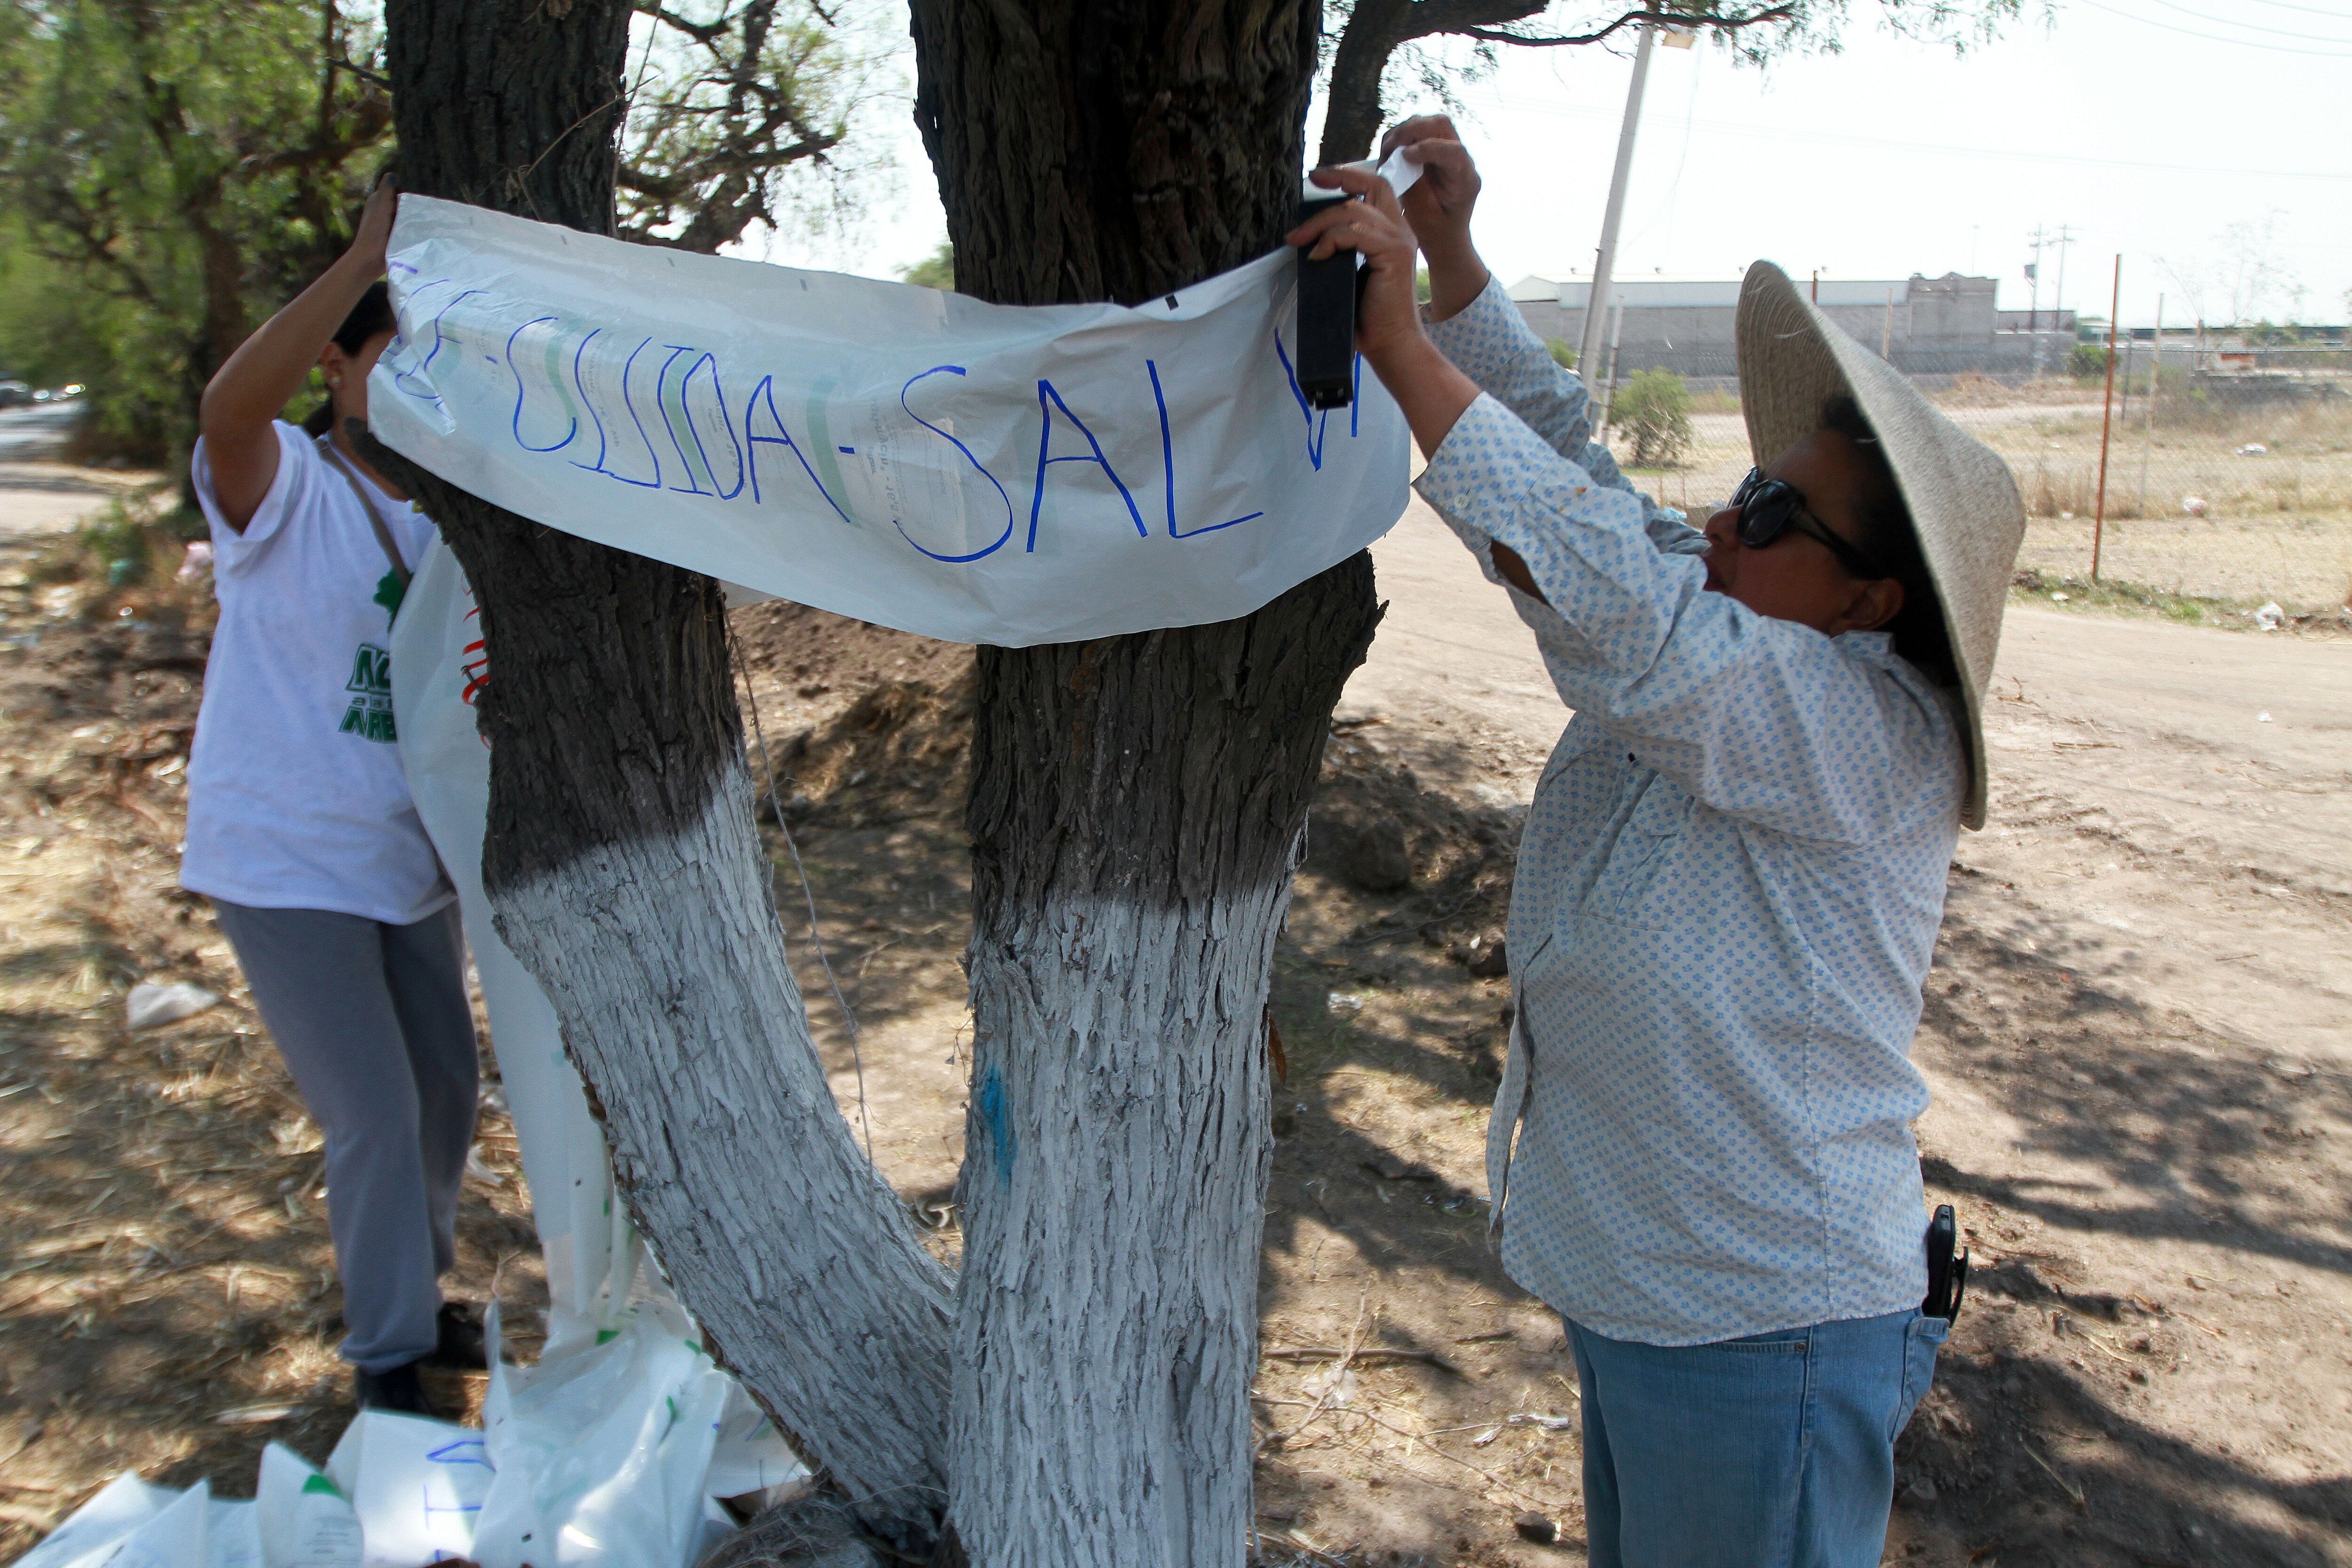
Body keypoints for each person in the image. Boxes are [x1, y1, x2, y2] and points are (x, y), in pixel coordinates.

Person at [1289, 121, 2025, 1567]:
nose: (1721, 519)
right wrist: (1454, 263)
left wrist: (1405, 356)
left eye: (1771, 510)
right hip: (1662, 1293)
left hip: (1766, 1322)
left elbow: (1625, 601)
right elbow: (1580, 486)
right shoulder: (1746, 617)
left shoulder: (1864, 732)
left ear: (1875, 605)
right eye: (1747, 484)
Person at [187, 176, 484, 1416]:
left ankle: (412, 1286)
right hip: (286, 865)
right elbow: (224, 411)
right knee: (370, 1109)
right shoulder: (286, 492)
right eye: (383, 360)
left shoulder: (450, 530)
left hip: (408, 868)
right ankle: (386, 1365)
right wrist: (365, 256)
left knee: (445, 1097)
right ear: (337, 369)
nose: (404, 389)